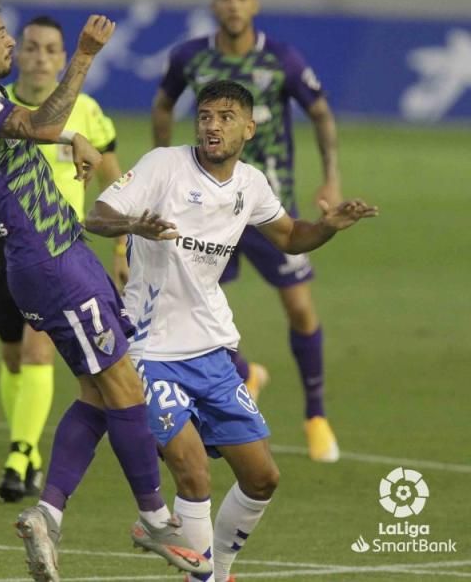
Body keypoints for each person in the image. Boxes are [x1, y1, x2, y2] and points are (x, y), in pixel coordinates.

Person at [0, 0, 211, 582]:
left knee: (96, 392)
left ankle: (49, 515)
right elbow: (39, 123)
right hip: (51, 264)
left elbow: (25, 140)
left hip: (65, 254)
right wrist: (81, 57)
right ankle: (154, 518)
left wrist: (69, 146)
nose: (10, 42)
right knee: (123, 386)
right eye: (1, 34)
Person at [87, 80, 378, 581]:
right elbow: (98, 215)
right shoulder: (164, 165)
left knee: (263, 477)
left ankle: (215, 569)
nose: (212, 125)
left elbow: (290, 237)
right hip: (149, 350)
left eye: (225, 116)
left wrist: (328, 226)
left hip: (212, 351)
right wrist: (134, 225)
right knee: (193, 471)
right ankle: (204, 577)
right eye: (204, 115)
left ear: (249, 127)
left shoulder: (251, 183)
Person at [152, 0, 344, 462]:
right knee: (194, 308)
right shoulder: (191, 57)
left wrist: (331, 177)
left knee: (300, 307)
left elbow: (320, 112)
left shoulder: (280, 59)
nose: (233, 4)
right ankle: (246, 376)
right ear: (214, 4)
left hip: (265, 203)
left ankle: (316, 416)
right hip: (204, 208)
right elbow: (162, 104)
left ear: (254, 4)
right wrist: (163, 170)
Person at [0, 14, 129, 503]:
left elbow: (115, 177)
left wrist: (120, 242)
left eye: (52, 49)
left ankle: (20, 451)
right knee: (11, 355)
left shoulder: (85, 108)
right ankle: (26, 450)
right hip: (3, 244)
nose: (40, 56)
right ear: (19, 54)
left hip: (57, 250)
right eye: (30, 47)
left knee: (36, 351)